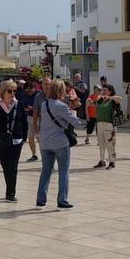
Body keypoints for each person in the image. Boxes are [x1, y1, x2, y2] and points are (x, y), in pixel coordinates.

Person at [35, 79, 82, 209]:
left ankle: (41, 200)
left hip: (45, 143)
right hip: (60, 143)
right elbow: (76, 123)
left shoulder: (44, 104)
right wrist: (74, 109)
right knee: (63, 172)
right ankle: (62, 201)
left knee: (45, 171)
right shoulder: (61, 106)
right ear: (61, 91)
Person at [0, 80, 28, 202]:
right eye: (10, 91)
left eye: (15, 91)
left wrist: (24, 138)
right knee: (5, 166)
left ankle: (11, 193)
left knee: (13, 166)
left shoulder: (19, 105)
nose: (13, 93)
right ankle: (9, 188)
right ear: (4, 91)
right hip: (1, 140)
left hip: (16, 139)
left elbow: (24, 123)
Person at [93, 85, 122, 169]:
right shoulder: (101, 100)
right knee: (101, 144)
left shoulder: (112, 100)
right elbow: (93, 104)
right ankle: (102, 161)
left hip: (109, 125)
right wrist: (90, 101)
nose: (103, 92)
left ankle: (112, 162)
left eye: (105, 90)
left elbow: (120, 99)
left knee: (110, 144)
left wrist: (110, 97)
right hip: (100, 124)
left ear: (110, 91)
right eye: (103, 90)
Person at [29, 77, 52, 162]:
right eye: (45, 84)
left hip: (54, 125)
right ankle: (46, 159)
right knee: (43, 143)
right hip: (43, 124)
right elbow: (35, 112)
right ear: (42, 85)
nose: (47, 86)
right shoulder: (38, 96)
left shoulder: (55, 95)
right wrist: (35, 125)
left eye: (48, 84)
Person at [20, 81, 40, 162]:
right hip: (29, 117)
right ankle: (34, 155)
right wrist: (26, 109)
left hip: (39, 118)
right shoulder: (25, 95)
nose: (29, 91)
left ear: (35, 88)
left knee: (40, 137)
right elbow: (22, 106)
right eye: (27, 89)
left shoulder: (40, 94)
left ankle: (45, 154)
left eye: (31, 89)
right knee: (30, 137)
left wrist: (35, 109)